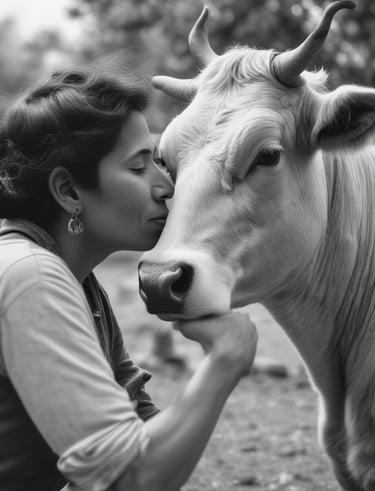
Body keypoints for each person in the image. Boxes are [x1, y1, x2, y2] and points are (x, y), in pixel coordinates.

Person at [0, 60, 258, 491]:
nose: (166, 185)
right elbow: (132, 477)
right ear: (68, 192)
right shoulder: (32, 277)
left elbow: (145, 440)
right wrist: (224, 363)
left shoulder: (81, 286)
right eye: (139, 167)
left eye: (157, 161)